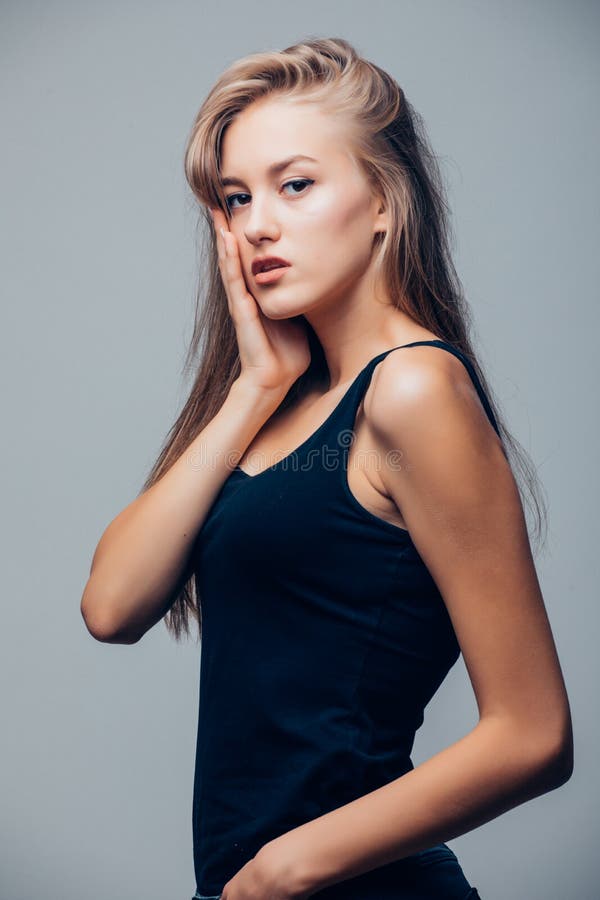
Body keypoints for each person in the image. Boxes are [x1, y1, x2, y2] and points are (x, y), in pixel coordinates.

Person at [80, 37, 574, 900]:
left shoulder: (414, 389)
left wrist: (279, 870)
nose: (257, 223)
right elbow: (112, 607)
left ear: (383, 200)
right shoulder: (285, 400)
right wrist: (252, 388)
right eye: (236, 198)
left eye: (295, 184)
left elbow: (533, 735)